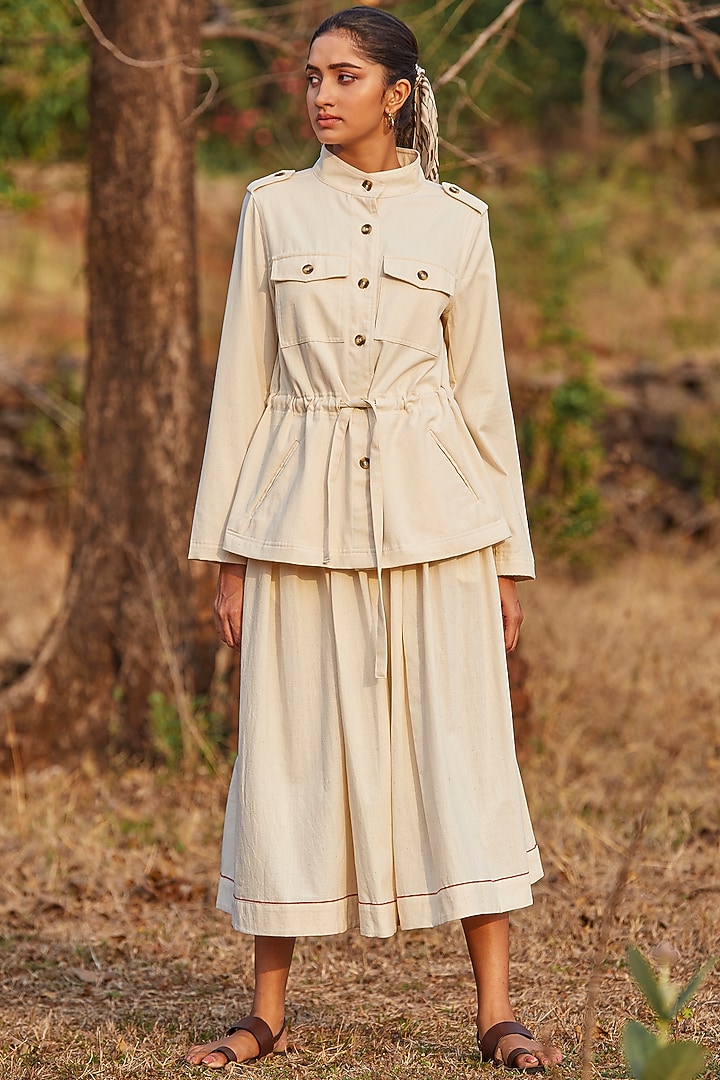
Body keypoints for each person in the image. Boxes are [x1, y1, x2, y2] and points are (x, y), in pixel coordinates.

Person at [185, 6, 561, 1074]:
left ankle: (496, 1011)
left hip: (441, 526)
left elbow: (482, 398)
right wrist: (228, 553)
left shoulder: (458, 221)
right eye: (312, 76)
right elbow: (241, 388)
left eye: (345, 76)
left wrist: (505, 561)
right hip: (295, 523)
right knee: (287, 758)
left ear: (398, 92)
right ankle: (265, 1010)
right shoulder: (271, 212)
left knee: (463, 752)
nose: (320, 94)